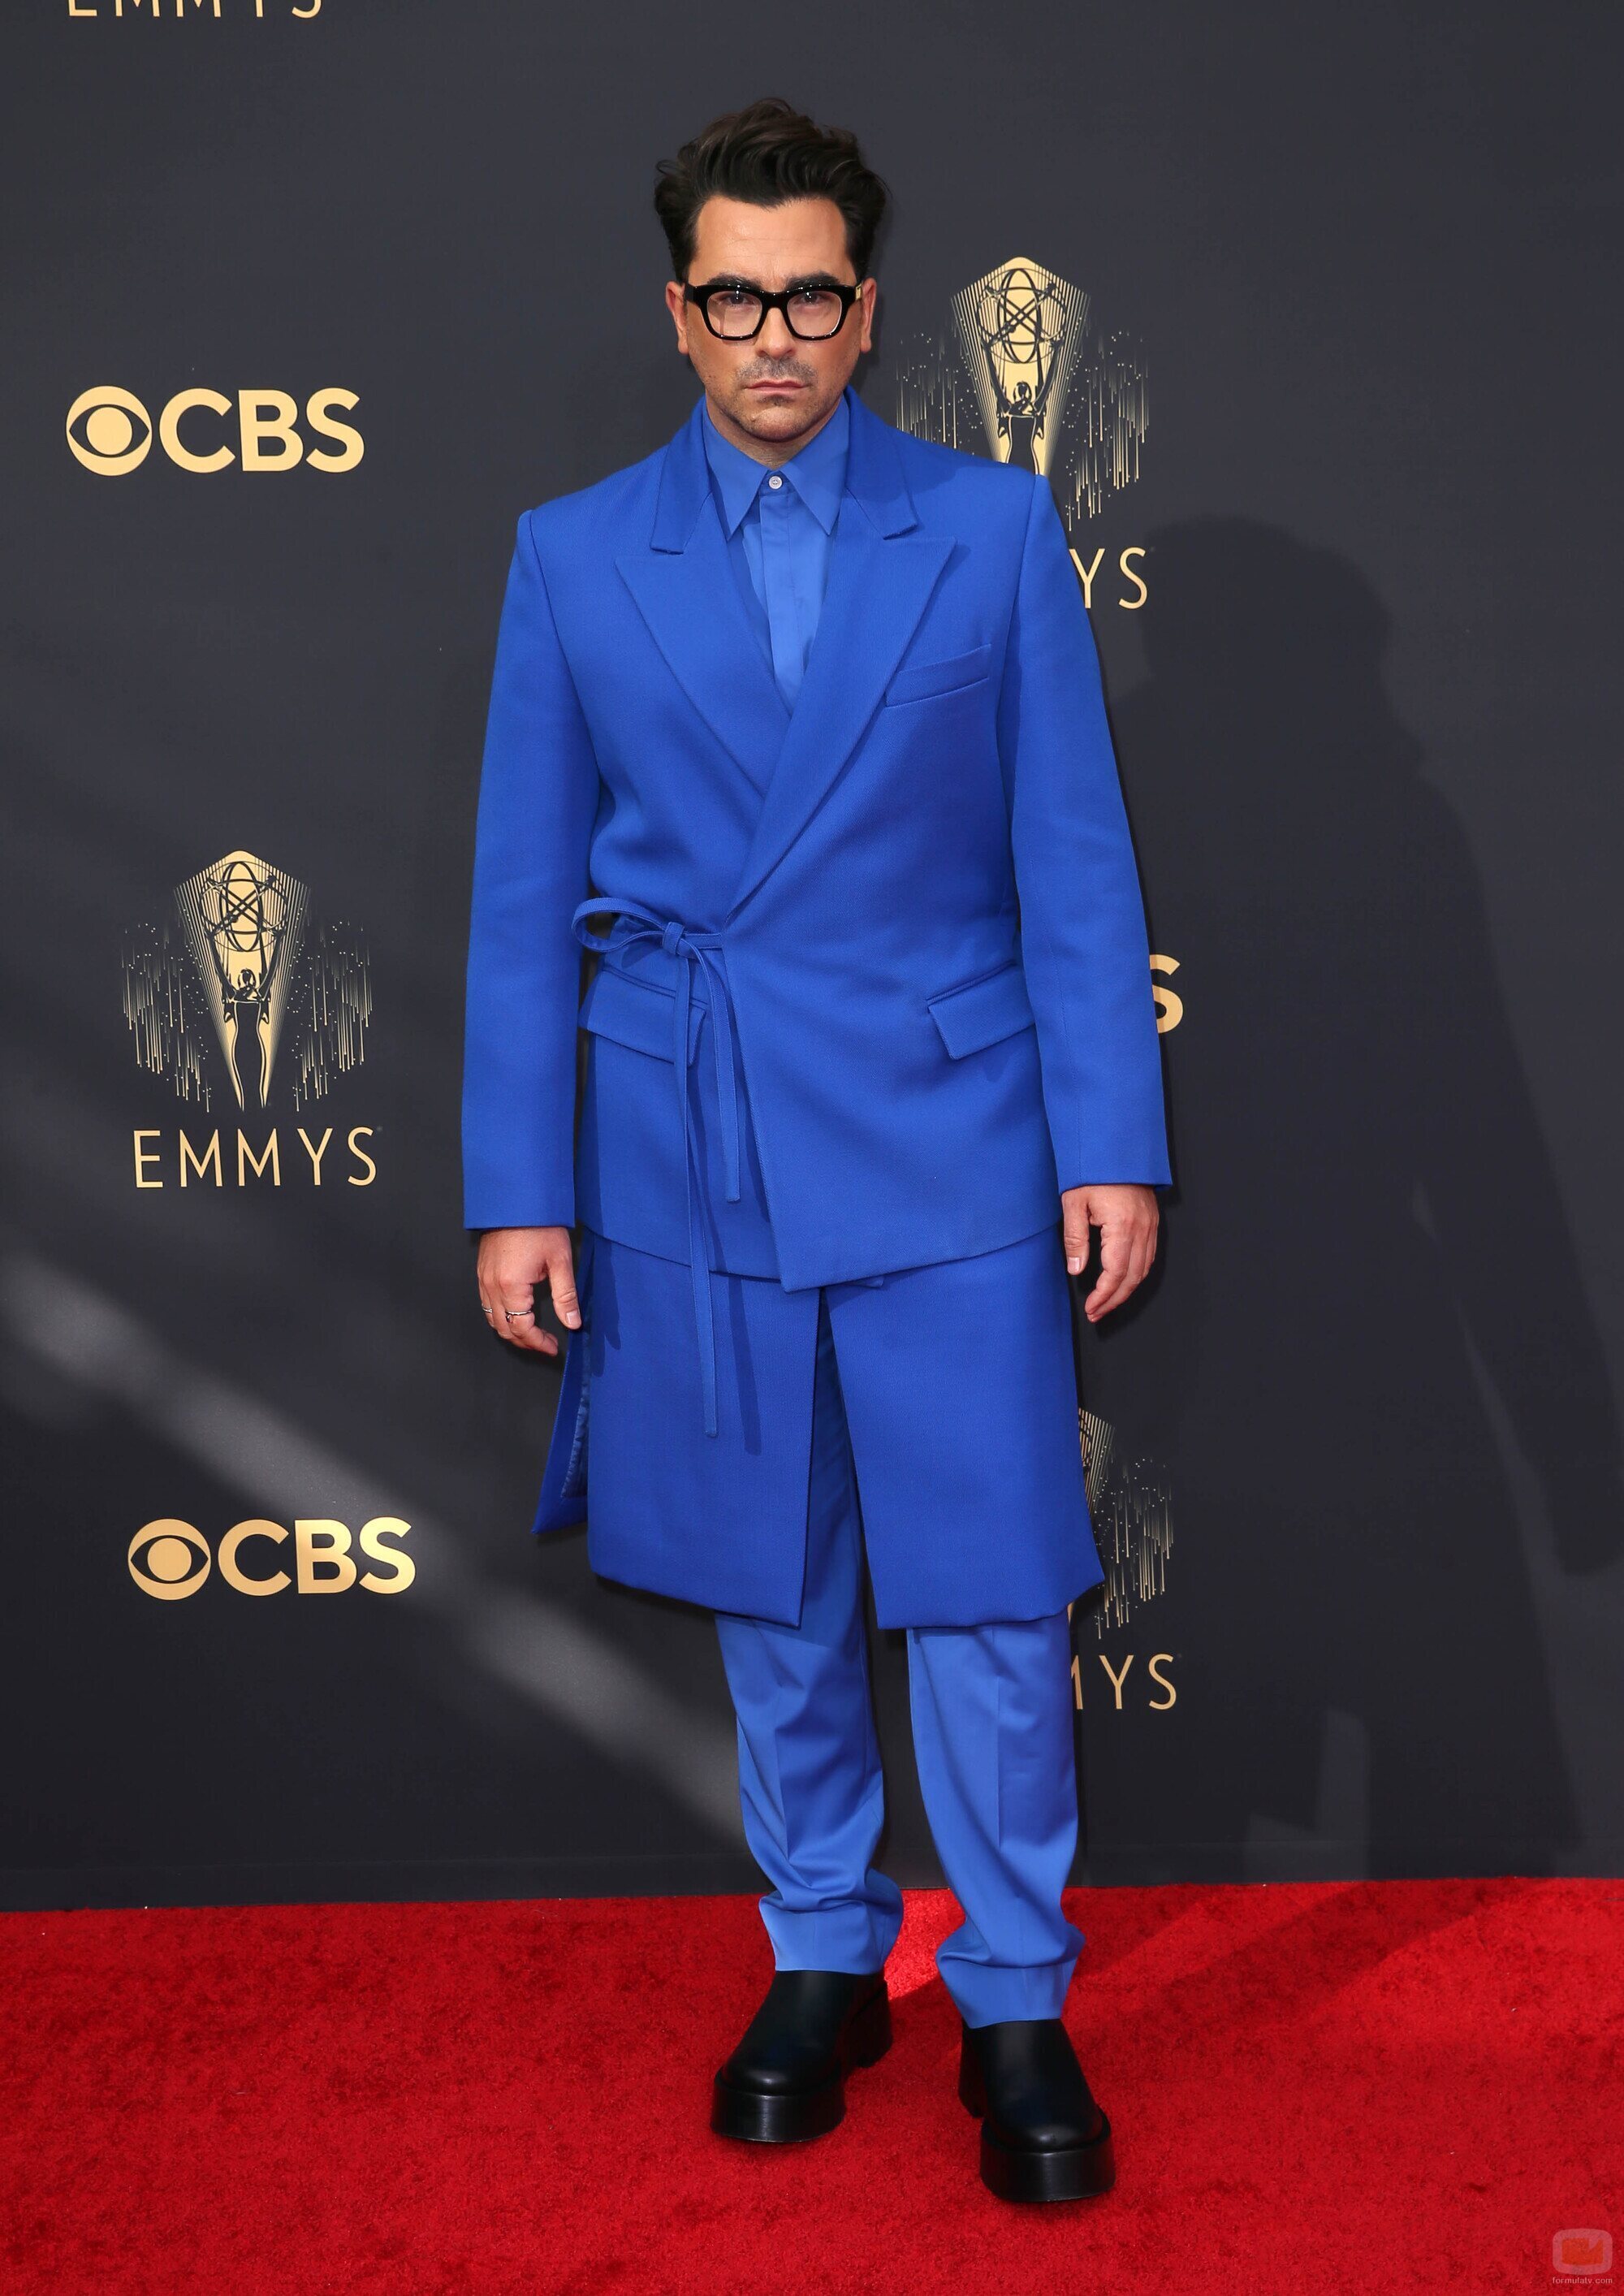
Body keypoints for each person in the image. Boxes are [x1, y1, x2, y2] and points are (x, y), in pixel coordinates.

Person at [460, 96, 1170, 2204]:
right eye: (733, 295)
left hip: (952, 1120)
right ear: (679, 311)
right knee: (771, 1588)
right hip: (696, 1131)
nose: (773, 331)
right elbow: (520, 898)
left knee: (984, 1595)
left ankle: (1018, 1987)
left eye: (813, 295)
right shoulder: (576, 552)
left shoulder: (990, 532)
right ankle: (824, 1949)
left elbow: (1070, 857)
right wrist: (521, 1182)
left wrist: (1109, 1139)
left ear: (868, 315)